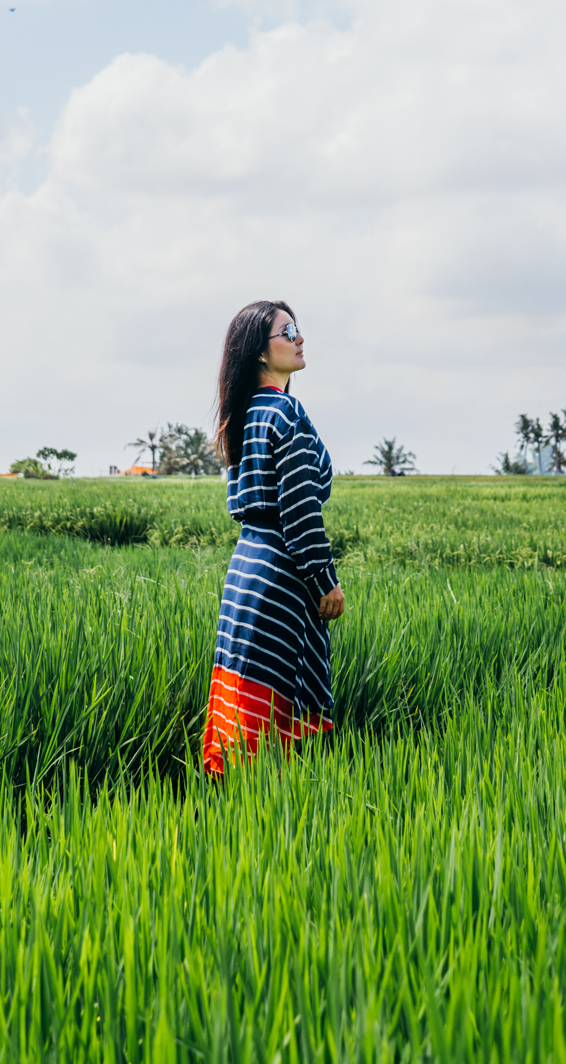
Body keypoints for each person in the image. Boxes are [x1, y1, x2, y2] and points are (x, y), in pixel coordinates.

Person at [200, 300, 346, 776]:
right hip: (282, 574)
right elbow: (301, 510)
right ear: (262, 353)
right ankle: (269, 814)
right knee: (278, 716)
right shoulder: (285, 413)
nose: (300, 338)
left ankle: (231, 811)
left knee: (244, 697)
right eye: (289, 332)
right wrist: (326, 581)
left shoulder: (243, 415)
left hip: (245, 569)